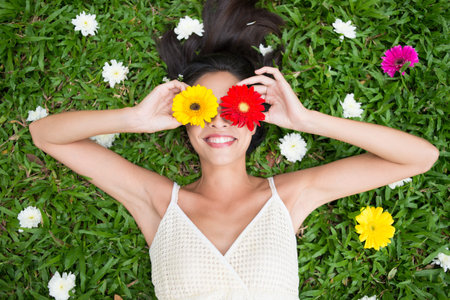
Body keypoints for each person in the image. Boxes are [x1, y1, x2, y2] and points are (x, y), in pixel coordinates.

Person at [29, 0, 439, 299]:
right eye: (203, 107)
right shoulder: (157, 203)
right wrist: (133, 119)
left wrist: (306, 120)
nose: (219, 120)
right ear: (185, 119)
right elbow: (45, 135)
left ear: (255, 117)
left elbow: (420, 157)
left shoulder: (289, 198)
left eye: (233, 107)